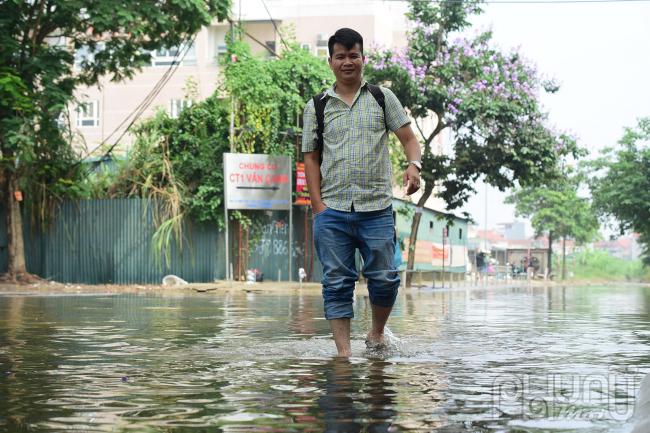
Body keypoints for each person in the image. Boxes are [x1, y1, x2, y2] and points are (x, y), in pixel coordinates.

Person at [302, 28, 422, 357]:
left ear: (363, 59)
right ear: (330, 62)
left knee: (385, 277)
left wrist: (414, 166)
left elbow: (410, 140)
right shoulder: (317, 107)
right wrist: (318, 206)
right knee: (337, 282)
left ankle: (377, 332)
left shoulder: (383, 98)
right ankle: (344, 355)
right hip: (333, 211)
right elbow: (310, 158)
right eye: (340, 56)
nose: (347, 61)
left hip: (376, 209)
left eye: (353, 55)